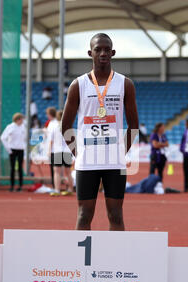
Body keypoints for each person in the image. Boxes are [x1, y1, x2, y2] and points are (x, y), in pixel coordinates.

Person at [61, 33, 139, 231]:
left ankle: (117, 260)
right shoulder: (78, 85)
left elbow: (133, 126)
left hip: (115, 161)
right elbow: (66, 125)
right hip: (87, 162)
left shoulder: (125, 84)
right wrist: (78, 154)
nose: (103, 53)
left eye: (107, 49)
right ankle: (80, 261)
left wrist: (122, 152)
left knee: (116, 215)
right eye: (98, 49)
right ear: (90, 53)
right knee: (84, 215)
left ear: (113, 53)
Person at [49, 110, 74, 197]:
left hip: (58, 151)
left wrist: (49, 151)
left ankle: (57, 189)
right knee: (68, 172)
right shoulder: (68, 126)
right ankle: (70, 189)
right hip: (67, 151)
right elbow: (72, 141)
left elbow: (51, 141)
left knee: (57, 172)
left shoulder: (54, 126)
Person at [1, 113, 26, 192]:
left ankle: (20, 186)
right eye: (21, 119)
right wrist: (8, 149)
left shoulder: (23, 127)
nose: (23, 121)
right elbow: (3, 138)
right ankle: (12, 186)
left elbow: (25, 138)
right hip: (13, 150)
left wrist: (24, 146)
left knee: (20, 168)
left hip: (20, 149)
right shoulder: (10, 127)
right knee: (12, 168)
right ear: (18, 119)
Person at [45, 106, 58, 189]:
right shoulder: (52, 123)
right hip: (54, 148)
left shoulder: (53, 124)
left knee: (55, 169)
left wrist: (49, 150)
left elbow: (51, 138)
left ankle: (55, 186)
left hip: (54, 149)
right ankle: (55, 185)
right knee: (54, 169)